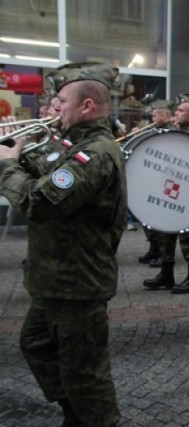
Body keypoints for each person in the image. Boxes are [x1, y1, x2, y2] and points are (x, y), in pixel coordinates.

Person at [0, 62, 126, 426]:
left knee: (86, 373)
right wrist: (16, 150)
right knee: (36, 345)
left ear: (87, 106)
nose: (54, 107)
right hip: (55, 280)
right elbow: (42, 169)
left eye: (61, 100)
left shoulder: (95, 154)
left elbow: (39, 202)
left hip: (78, 284)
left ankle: (95, 419)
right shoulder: (70, 142)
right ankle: (76, 411)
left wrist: (8, 167)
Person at [143, 94, 189, 294]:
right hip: (170, 193)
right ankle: (166, 274)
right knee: (165, 236)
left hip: (186, 197)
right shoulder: (176, 133)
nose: (175, 114)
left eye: (180, 111)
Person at [136, 99, 174, 267]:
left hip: (165, 183)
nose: (152, 119)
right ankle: (154, 247)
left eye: (155, 115)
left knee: (162, 222)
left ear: (165, 115)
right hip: (151, 180)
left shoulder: (173, 132)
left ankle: (163, 253)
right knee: (148, 219)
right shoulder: (153, 131)